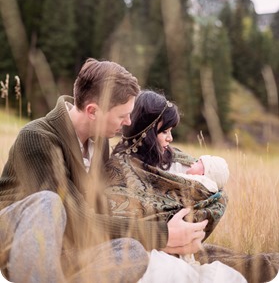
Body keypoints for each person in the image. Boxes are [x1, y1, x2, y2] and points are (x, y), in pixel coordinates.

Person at [0, 59, 208, 283]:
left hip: (64, 253)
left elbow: (97, 216)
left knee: (132, 252)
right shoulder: (37, 138)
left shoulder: (99, 144)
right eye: (122, 116)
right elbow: (75, 220)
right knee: (49, 202)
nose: (128, 121)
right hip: (15, 242)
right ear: (92, 111)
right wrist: (160, 234)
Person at [105, 90, 247, 282]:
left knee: (252, 263)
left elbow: (209, 188)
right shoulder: (117, 170)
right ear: (145, 133)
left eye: (171, 131)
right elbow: (119, 226)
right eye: (164, 131)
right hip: (147, 254)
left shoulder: (170, 158)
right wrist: (164, 235)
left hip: (184, 245)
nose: (170, 138)